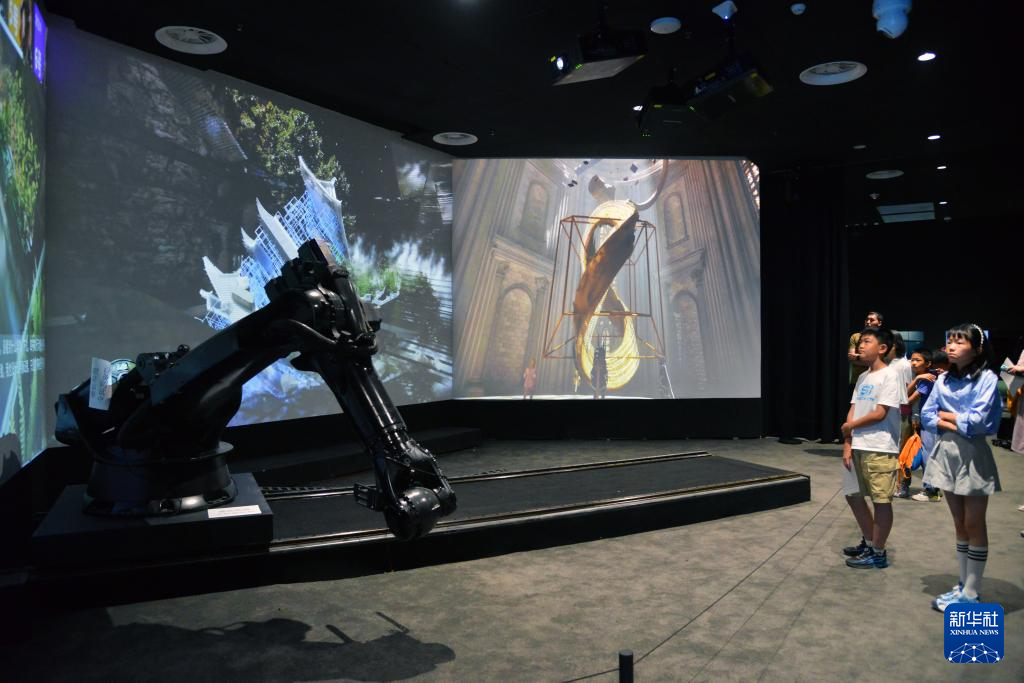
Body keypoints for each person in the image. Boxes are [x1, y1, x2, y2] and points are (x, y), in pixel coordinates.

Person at [922, 324, 1003, 611]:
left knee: (974, 523)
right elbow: (926, 415)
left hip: (973, 455)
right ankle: (962, 584)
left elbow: (979, 422)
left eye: (960, 342)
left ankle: (972, 591)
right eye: (950, 342)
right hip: (947, 451)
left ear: (977, 349)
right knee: (959, 523)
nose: (952, 347)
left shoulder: (988, 379)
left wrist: (945, 416)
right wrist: (955, 420)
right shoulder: (943, 380)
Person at [840, 327, 902, 568]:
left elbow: (880, 413)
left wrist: (850, 426)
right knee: (853, 496)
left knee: (881, 500)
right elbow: (853, 408)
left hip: (880, 447)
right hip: (857, 445)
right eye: (860, 342)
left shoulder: (890, 375)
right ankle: (869, 541)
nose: (861, 346)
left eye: (867, 341)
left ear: (882, 348)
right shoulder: (863, 377)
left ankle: (878, 552)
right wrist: (848, 442)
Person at [905, 349, 941, 501]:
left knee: (929, 455)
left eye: (918, 360)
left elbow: (907, 400)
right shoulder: (928, 376)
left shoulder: (926, 380)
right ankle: (933, 489)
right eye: (912, 359)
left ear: (928, 363)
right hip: (929, 421)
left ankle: (931, 491)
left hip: (930, 423)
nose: (913, 363)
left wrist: (917, 379)